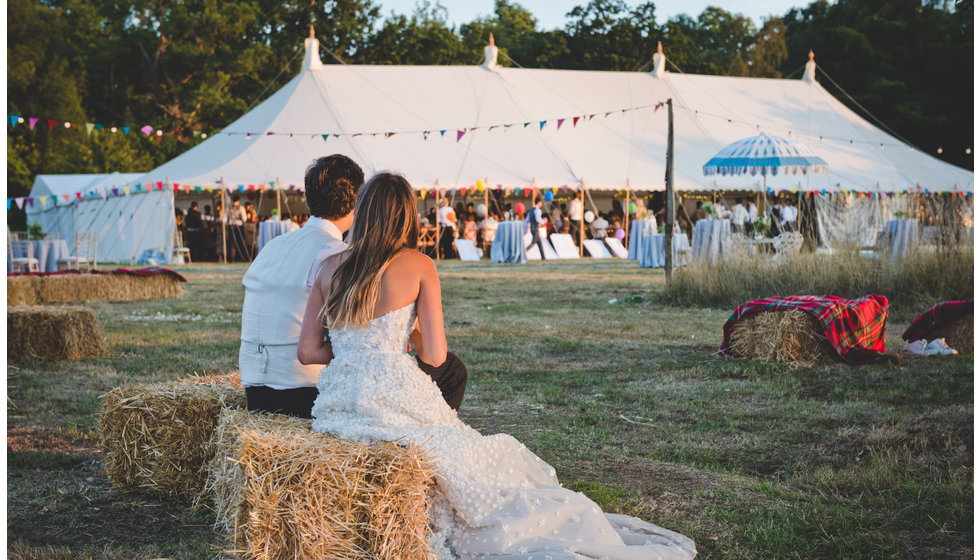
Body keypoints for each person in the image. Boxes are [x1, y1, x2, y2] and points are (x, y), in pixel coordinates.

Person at [297, 172, 696, 560]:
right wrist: (389, 348)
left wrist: (357, 352)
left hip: (341, 401)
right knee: (467, 459)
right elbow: (435, 356)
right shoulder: (418, 265)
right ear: (406, 214)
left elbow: (308, 352)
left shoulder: (327, 267)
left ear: (362, 211)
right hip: (391, 389)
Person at [240, 155, 468, 418]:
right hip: (308, 389)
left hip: (255, 388)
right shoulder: (340, 256)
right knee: (450, 370)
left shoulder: (272, 247)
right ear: (356, 201)